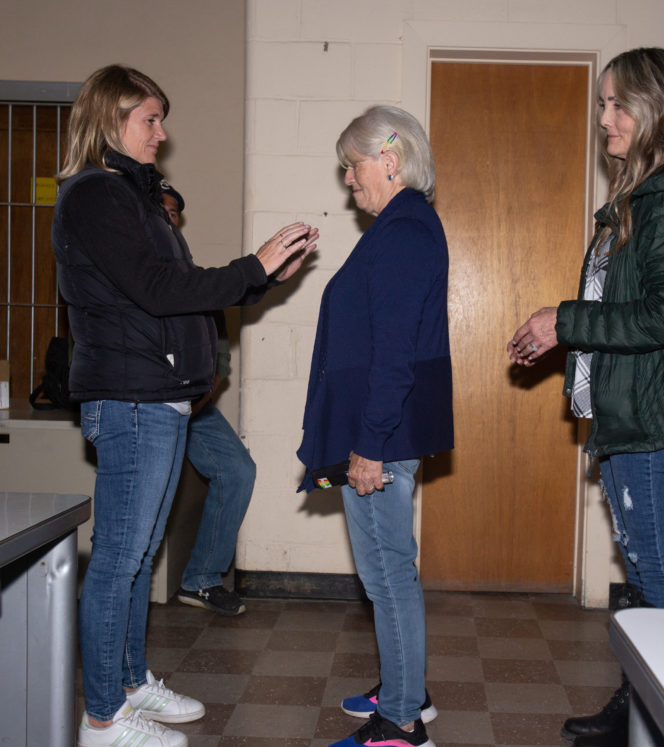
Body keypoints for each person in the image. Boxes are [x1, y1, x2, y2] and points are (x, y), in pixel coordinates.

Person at [53, 64, 317, 747]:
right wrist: (251, 266)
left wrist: (259, 281)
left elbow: (181, 292)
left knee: (140, 556)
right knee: (117, 557)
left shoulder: (134, 199)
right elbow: (156, 289)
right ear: (112, 119)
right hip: (131, 397)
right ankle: (103, 717)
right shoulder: (93, 195)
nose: (161, 134)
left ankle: (132, 681)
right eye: (150, 119)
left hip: (160, 397)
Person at [507, 47, 664, 747]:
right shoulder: (645, 191)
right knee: (646, 573)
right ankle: (643, 705)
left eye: (618, 104)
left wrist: (564, 321)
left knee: (660, 574)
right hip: (630, 406)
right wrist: (564, 330)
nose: (604, 117)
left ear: (657, 108)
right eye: (602, 103)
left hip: (651, 412)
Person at [297, 105, 453, 747]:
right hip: (367, 435)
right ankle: (401, 687)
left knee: (387, 572)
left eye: (352, 165)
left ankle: (402, 721)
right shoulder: (396, 228)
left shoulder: (405, 232)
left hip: (377, 440)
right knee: (383, 569)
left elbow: (394, 355)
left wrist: (367, 447)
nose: (347, 179)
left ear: (388, 159)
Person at [159, 182, 256, 616]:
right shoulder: (126, 269)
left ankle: (200, 579)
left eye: (175, 213)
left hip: (193, 408)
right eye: (160, 210)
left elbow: (219, 363)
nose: (168, 218)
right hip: (141, 408)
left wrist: (194, 404)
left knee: (237, 470)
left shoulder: (194, 280)